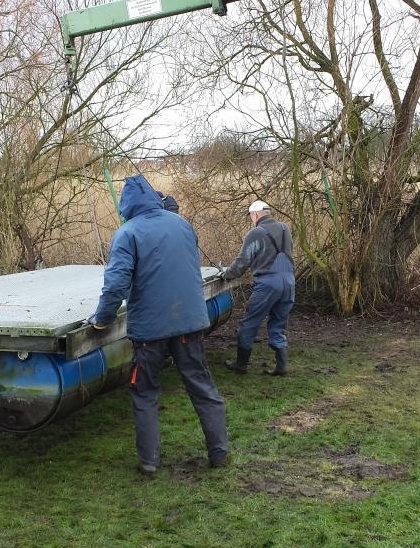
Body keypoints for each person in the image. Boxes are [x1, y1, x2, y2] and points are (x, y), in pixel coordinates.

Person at [89, 175, 229, 475]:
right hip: (189, 323)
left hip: (149, 331)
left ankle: (149, 461)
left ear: (126, 205)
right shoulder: (182, 224)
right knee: (201, 385)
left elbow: (115, 285)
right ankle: (219, 453)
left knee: (145, 391)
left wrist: (102, 319)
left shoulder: (127, 233)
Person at [222, 200, 295, 376]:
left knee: (249, 323)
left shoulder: (255, 233)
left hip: (268, 283)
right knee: (278, 323)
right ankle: (281, 366)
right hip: (289, 281)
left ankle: (241, 365)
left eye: (251, 216)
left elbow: (242, 263)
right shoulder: (285, 228)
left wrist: (226, 274)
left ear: (255, 214)